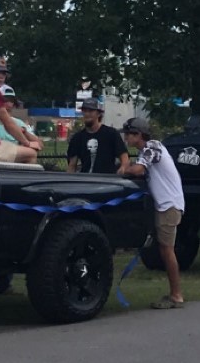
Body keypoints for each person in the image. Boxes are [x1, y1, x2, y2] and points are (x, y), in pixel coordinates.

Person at [120, 116, 184, 309]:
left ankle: (176, 295)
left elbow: (139, 170)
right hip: (164, 205)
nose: (126, 139)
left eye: (128, 135)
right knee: (164, 249)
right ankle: (174, 293)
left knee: (167, 250)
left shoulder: (152, 147)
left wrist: (124, 169)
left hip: (168, 205)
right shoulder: (146, 151)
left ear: (138, 134)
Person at [67, 98, 128, 174]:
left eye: (90, 111)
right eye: (84, 111)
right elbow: (72, 165)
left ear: (99, 114)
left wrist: (123, 169)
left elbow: (124, 158)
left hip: (108, 181)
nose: (87, 114)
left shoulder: (111, 134)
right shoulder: (77, 138)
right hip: (85, 181)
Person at [0, 84, 44, 153]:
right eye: (5, 99)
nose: (8, 102)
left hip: (14, 158)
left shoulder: (19, 123)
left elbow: (40, 145)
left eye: (11, 100)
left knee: (31, 153)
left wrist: (24, 132)